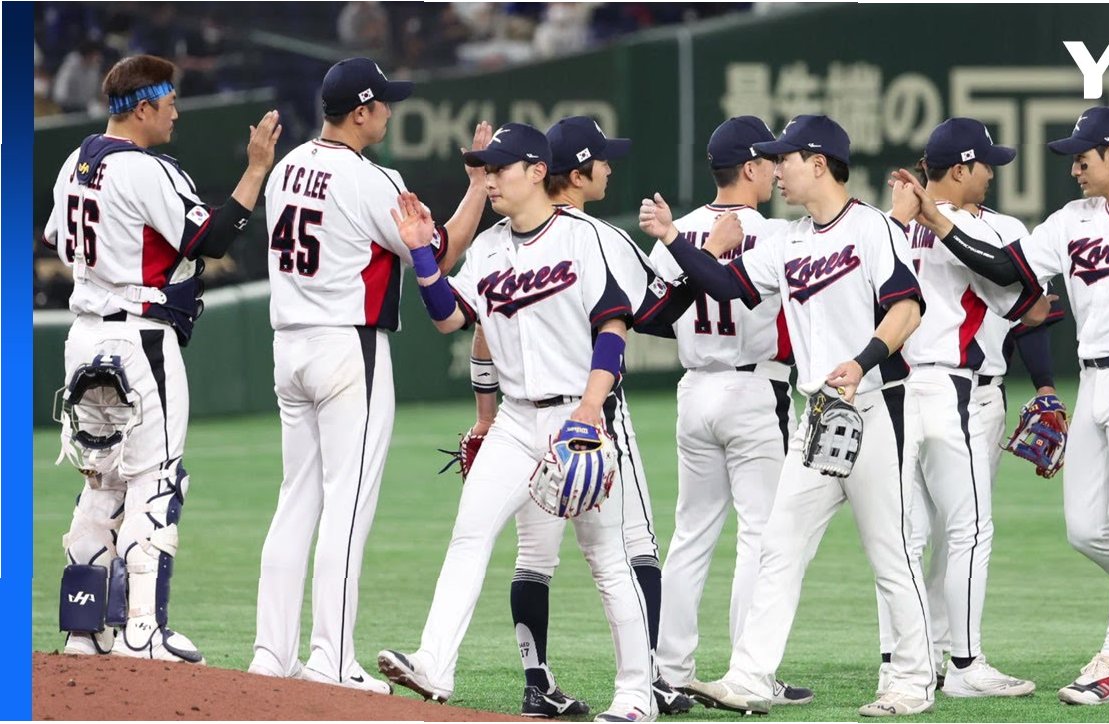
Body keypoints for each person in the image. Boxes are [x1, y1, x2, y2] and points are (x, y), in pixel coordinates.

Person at [897, 105, 1109, 705]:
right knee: (1085, 531)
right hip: (1093, 382)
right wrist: (938, 219)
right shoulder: (1069, 221)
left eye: (1082, 159)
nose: (1074, 169)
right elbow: (1004, 270)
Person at [646, 114, 938, 717]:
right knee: (777, 545)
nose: (775, 169)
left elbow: (908, 309)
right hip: (818, 414)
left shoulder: (872, 228)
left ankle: (913, 680)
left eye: (785, 158)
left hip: (873, 406)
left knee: (890, 550)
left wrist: (861, 361)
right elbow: (724, 286)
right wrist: (676, 240)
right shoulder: (789, 240)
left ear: (819, 162)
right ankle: (750, 676)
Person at [376, 122, 658, 723]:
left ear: (536, 171)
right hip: (514, 420)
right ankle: (434, 663)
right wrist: (422, 251)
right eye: (484, 169)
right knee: (470, 533)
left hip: (576, 416)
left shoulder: (584, 237)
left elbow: (613, 328)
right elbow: (449, 317)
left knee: (606, 557)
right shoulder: (488, 246)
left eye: (498, 169)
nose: (489, 180)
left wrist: (591, 407)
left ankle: (636, 694)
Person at [248, 57, 489, 693]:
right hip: (346, 348)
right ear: (360, 111)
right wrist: (476, 187)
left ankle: (272, 653)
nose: (389, 111)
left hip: (288, 345)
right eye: (383, 103)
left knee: (296, 498)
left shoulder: (287, 167)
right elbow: (438, 255)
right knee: (347, 506)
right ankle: (331, 660)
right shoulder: (371, 179)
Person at [48, 54, 280, 662]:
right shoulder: (146, 169)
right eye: (170, 102)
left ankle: (83, 630)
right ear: (143, 107)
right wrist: (256, 168)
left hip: (83, 336)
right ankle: (143, 631)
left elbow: (57, 238)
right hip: (139, 337)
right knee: (155, 480)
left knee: (101, 481)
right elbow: (214, 238)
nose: (176, 113)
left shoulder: (75, 161)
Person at [638, 116, 813, 708]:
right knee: (761, 536)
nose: (773, 168)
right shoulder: (776, 233)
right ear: (750, 167)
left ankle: (670, 669)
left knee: (691, 534)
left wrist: (688, 250)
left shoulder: (680, 229)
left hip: (694, 389)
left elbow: (652, 316)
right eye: (768, 160)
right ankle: (749, 670)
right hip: (755, 390)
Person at [871, 118, 1048, 699]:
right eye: (984, 164)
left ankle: (900, 662)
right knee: (967, 530)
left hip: (894, 390)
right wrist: (934, 220)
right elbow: (1021, 291)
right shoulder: (976, 226)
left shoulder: (885, 228)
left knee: (905, 535)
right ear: (960, 169)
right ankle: (965, 664)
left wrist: (909, 218)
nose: (991, 174)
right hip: (953, 390)